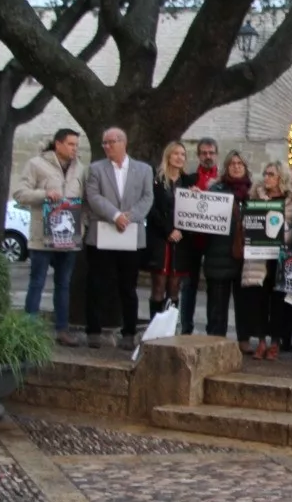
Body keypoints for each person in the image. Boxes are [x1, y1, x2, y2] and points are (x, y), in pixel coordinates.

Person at [13, 128, 86, 347]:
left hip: (69, 235)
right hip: (42, 235)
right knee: (37, 282)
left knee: (63, 284)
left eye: (76, 145)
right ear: (58, 144)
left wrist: (85, 223)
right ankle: (29, 329)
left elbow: (84, 199)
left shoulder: (80, 168)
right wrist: (45, 195)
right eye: (71, 144)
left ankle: (62, 330)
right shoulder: (36, 164)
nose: (75, 149)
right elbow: (19, 193)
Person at [82, 127, 154, 350]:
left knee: (128, 286)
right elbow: (93, 197)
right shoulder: (95, 169)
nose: (106, 146)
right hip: (101, 234)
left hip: (130, 235)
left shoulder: (143, 169)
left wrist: (128, 217)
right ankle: (94, 331)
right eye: (104, 143)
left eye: (110, 142)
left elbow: (147, 197)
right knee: (97, 284)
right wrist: (115, 216)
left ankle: (129, 332)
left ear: (123, 142)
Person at [240, 161, 292, 360]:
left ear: (281, 178)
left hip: (281, 258)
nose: (266, 177)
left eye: (271, 174)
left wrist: (282, 229)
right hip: (259, 259)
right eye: (265, 173)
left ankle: (275, 343)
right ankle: (261, 342)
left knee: (278, 301)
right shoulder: (254, 197)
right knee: (258, 300)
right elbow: (246, 224)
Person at [203, 151, 251, 347]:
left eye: (240, 163)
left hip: (246, 257)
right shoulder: (216, 191)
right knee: (217, 303)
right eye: (232, 163)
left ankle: (243, 339)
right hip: (218, 254)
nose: (236, 166)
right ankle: (215, 339)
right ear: (226, 167)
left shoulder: (254, 193)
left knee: (244, 303)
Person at [143, 142, 190, 318]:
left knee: (174, 287)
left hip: (181, 240)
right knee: (158, 285)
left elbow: (192, 212)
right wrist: (168, 229)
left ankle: (170, 327)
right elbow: (152, 208)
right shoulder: (156, 180)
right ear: (168, 156)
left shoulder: (187, 181)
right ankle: (154, 328)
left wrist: (180, 230)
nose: (179, 157)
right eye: (176, 153)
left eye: (183, 154)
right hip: (160, 239)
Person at [178, 138, 218, 335]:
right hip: (192, 239)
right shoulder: (188, 178)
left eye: (211, 153)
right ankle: (186, 327)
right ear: (198, 155)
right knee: (188, 285)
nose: (208, 156)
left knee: (214, 287)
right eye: (204, 153)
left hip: (213, 241)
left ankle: (213, 329)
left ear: (216, 155)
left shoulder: (221, 180)